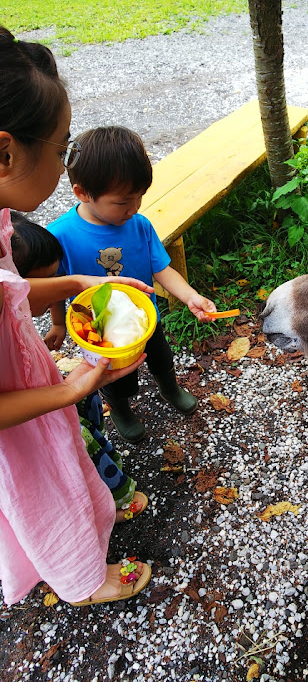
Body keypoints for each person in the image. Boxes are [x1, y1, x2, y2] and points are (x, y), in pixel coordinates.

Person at [0, 25, 151, 607]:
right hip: (15, 430)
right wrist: (71, 392)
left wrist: (78, 282)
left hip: (33, 397)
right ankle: (82, 582)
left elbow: (12, 294)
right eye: (62, 146)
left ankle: (86, 554)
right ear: (6, 151)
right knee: (42, 498)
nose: (66, 163)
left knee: (66, 470)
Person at [48, 126, 217, 444]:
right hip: (100, 336)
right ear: (83, 193)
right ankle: (122, 409)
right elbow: (55, 286)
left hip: (145, 320)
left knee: (162, 358)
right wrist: (58, 323)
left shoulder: (138, 225)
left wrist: (190, 296)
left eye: (139, 197)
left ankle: (170, 389)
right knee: (112, 378)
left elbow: (161, 268)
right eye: (123, 202)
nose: (134, 208)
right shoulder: (61, 236)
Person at [10, 211, 148, 524]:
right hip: (31, 424)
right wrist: (69, 390)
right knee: (82, 448)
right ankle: (114, 498)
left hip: (52, 394)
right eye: (44, 284)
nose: (55, 292)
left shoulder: (17, 312)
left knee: (88, 412)